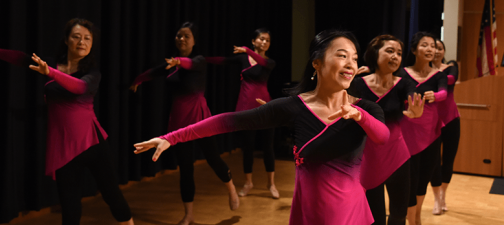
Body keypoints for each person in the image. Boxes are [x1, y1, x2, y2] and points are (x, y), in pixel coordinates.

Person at [134, 29, 391, 225]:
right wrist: (171, 138)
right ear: (317, 63)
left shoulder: (366, 109)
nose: (350, 64)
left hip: (351, 215)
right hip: (312, 215)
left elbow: (382, 136)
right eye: (342, 55)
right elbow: (227, 121)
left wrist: (359, 116)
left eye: (354, 58)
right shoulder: (293, 107)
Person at [0, 18, 134, 225]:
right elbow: (21, 58)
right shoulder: (50, 64)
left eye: (87, 38)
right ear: (66, 40)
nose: (82, 42)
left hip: (93, 144)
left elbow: (80, 88)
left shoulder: (92, 73)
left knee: (112, 195)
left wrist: (50, 73)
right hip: (63, 147)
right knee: (69, 206)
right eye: (76, 37)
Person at [129, 22, 238, 225]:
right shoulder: (171, 65)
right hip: (179, 122)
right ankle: (188, 214)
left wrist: (178, 61)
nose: (181, 39)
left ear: (194, 40)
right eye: (179, 36)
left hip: (200, 119)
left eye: (186, 36)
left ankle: (231, 187)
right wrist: (136, 81)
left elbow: (188, 64)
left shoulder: (198, 61)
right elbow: (152, 72)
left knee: (213, 159)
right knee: (186, 169)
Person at [349, 34, 424, 225]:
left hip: (398, 157)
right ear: (375, 54)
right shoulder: (357, 84)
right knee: (376, 219)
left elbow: (412, 99)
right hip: (369, 159)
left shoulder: (404, 84)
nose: (395, 56)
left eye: (399, 53)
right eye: (389, 51)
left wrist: (415, 111)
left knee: (399, 215)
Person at [205, 28, 279, 198]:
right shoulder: (243, 58)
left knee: (268, 146)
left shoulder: (269, 62)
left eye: (267, 40)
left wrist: (248, 50)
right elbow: (223, 61)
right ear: (254, 41)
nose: (264, 42)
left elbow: (262, 62)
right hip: (246, 107)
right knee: (248, 147)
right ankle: (248, 183)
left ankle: (271, 184)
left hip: (265, 106)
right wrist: (203, 60)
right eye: (261, 39)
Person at [398, 32, 447, 225]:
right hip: (407, 134)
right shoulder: (402, 74)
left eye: (433, 46)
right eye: (425, 45)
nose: (430, 49)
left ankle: (416, 217)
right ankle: (412, 220)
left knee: (423, 179)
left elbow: (444, 91)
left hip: (431, 134)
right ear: (413, 50)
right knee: (410, 179)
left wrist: (437, 95)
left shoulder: (439, 75)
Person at [430, 39, 460, 215]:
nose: (436, 51)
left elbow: (451, 79)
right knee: (434, 162)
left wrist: (432, 76)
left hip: (451, 119)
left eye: (439, 48)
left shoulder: (450, 66)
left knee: (448, 160)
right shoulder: (422, 73)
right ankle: (435, 198)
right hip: (432, 122)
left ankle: (443, 196)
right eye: (434, 48)